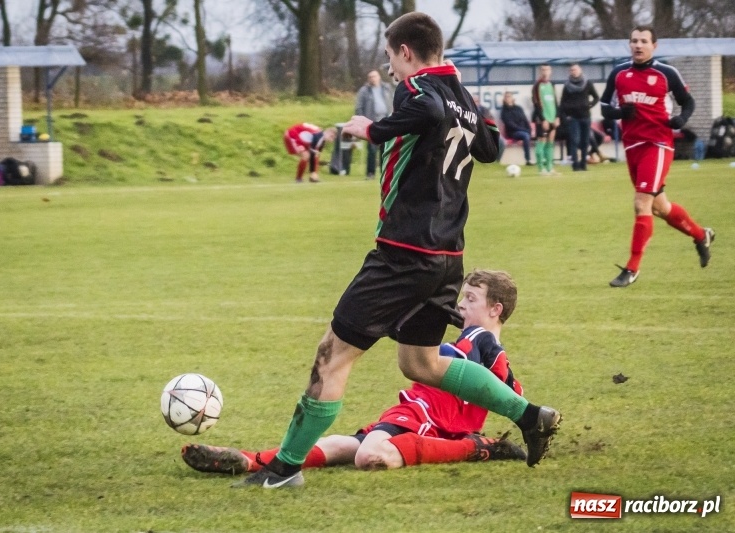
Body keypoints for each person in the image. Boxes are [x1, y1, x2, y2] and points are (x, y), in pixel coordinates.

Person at [233, 12, 561, 489]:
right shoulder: (460, 97)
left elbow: (425, 113)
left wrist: (372, 129)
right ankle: (530, 416)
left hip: (402, 253)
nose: (389, 68)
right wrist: (465, 108)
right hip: (447, 256)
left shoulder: (418, 91)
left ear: (405, 52)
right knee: (420, 364)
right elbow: (489, 149)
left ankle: (284, 469)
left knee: (334, 354)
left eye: (390, 56)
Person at [183, 270, 529, 475]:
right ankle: (249, 461)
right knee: (339, 447)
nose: (461, 304)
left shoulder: (478, 337)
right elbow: (513, 392)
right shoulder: (493, 352)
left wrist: (412, 329)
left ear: (495, 309)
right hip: (420, 417)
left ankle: (477, 448)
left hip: (430, 418)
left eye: (470, 298)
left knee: (368, 456)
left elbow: (440, 358)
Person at [600, 25, 715, 288]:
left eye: (643, 41)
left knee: (641, 203)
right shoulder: (619, 73)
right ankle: (701, 234)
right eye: (634, 41)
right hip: (632, 147)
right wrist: (620, 114)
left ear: (655, 46)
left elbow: (689, 102)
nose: (638, 45)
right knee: (658, 207)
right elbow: (605, 106)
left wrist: (681, 119)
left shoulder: (666, 73)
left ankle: (632, 268)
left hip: (658, 144)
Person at [559, 63, 599, 172]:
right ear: (569, 72)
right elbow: (562, 103)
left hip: (585, 116)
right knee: (574, 141)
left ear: (580, 70)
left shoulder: (587, 83)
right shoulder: (567, 86)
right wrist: (565, 116)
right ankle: (575, 165)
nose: (574, 72)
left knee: (585, 141)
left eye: (575, 69)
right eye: (571, 70)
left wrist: (589, 105)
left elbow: (596, 97)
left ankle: (583, 164)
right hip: (573, 118)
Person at [355, 70, 394, 179]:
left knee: (385, 149)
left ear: (379, 77)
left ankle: (384, 172)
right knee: (372, 149)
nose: (373, 78)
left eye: (374, 76)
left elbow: (393, 101)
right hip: (371, 122)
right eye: (370, 77)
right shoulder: (364, 91)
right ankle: (370, 173)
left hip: (386, 121)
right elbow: (359, 107)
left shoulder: (387, 88)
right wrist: (361, 121)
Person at [532, 64, 560, 175]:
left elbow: (555, 102)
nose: (545, 71)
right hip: (542, 119)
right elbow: (536, 103)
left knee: (550, 142)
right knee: (542, 142)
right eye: (543, 69)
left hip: (552, 117)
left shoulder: (552, 85)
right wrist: (543, 119)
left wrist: (557, 116)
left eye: (547, 69)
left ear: (551, 71)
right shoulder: (537, 86)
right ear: (540, 71)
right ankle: (541, 169)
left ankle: (550, 167)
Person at [500, 92, 533, 166]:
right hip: (513, 132)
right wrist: (524, 130)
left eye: (509, 96)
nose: (508, 98)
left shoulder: (519, 108)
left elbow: (525, 120)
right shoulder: (504, 111)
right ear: (504, 99)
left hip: (524, 131)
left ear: (513, 98)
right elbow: (510, 124)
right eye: (506, 97)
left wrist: (529, 129)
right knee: (525, 135)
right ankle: (528, 159)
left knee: (538, 135)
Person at [474, 94, 504, 163]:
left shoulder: (485, 110)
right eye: (474, 101)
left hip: (487, 132)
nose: (475, 103)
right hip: (475, 133)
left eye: (477, 101)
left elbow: (491, 119)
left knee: (502, 142)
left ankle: (496, 161)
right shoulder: (469, 110)